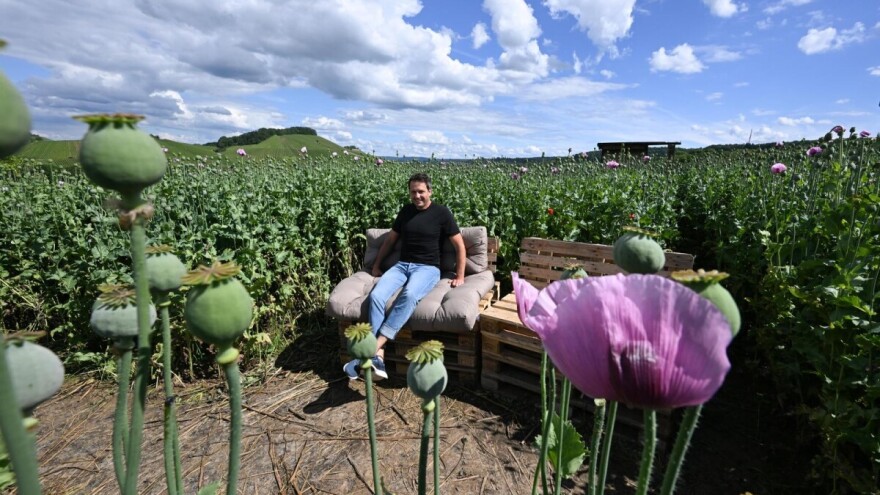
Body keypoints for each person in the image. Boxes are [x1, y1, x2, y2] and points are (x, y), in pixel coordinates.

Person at [344, 172, 466, 380]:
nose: (417, 196)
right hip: (401, 266)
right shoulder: (406, 211)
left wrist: (460, 276)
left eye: (421, 192)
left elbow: (459, 246)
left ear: (430, 191)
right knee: (376, 296)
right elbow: (390, 241)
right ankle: (378, 358)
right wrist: (376, 266)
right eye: (413, 192)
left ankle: (371, 348)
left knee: (409, 296)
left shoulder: (442, 213)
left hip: (427, 268)